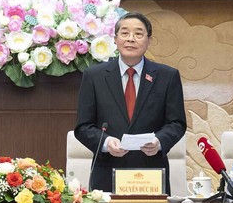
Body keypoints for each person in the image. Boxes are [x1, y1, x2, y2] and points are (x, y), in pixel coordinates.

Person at [75, 12, 187, 193]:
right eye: (125, 33)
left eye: (138, 34)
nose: (131, 39)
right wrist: (106, 142)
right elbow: (83, 126)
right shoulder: (94, 76)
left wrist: (159, 141)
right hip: (107, 174)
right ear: (115, 39)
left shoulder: (167, 76)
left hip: (151, 173)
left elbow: (177, 123)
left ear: (149, 40)